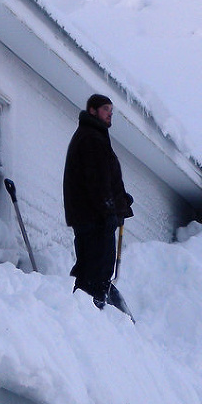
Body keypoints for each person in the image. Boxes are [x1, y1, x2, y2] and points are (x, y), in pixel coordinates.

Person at [63, 94, 134, 315]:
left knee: (94, 267)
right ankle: (92, 308)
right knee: (97, 267)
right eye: (105, 109)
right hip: (94, 217)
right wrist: (108, 209)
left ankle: (91, 306)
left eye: (111, 110)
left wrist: (120, 201)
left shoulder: (94, 136)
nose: (110, 113)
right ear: (93, 111)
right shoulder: (91, 138)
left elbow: (104, 179)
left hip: (93, 214)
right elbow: (96, 180)